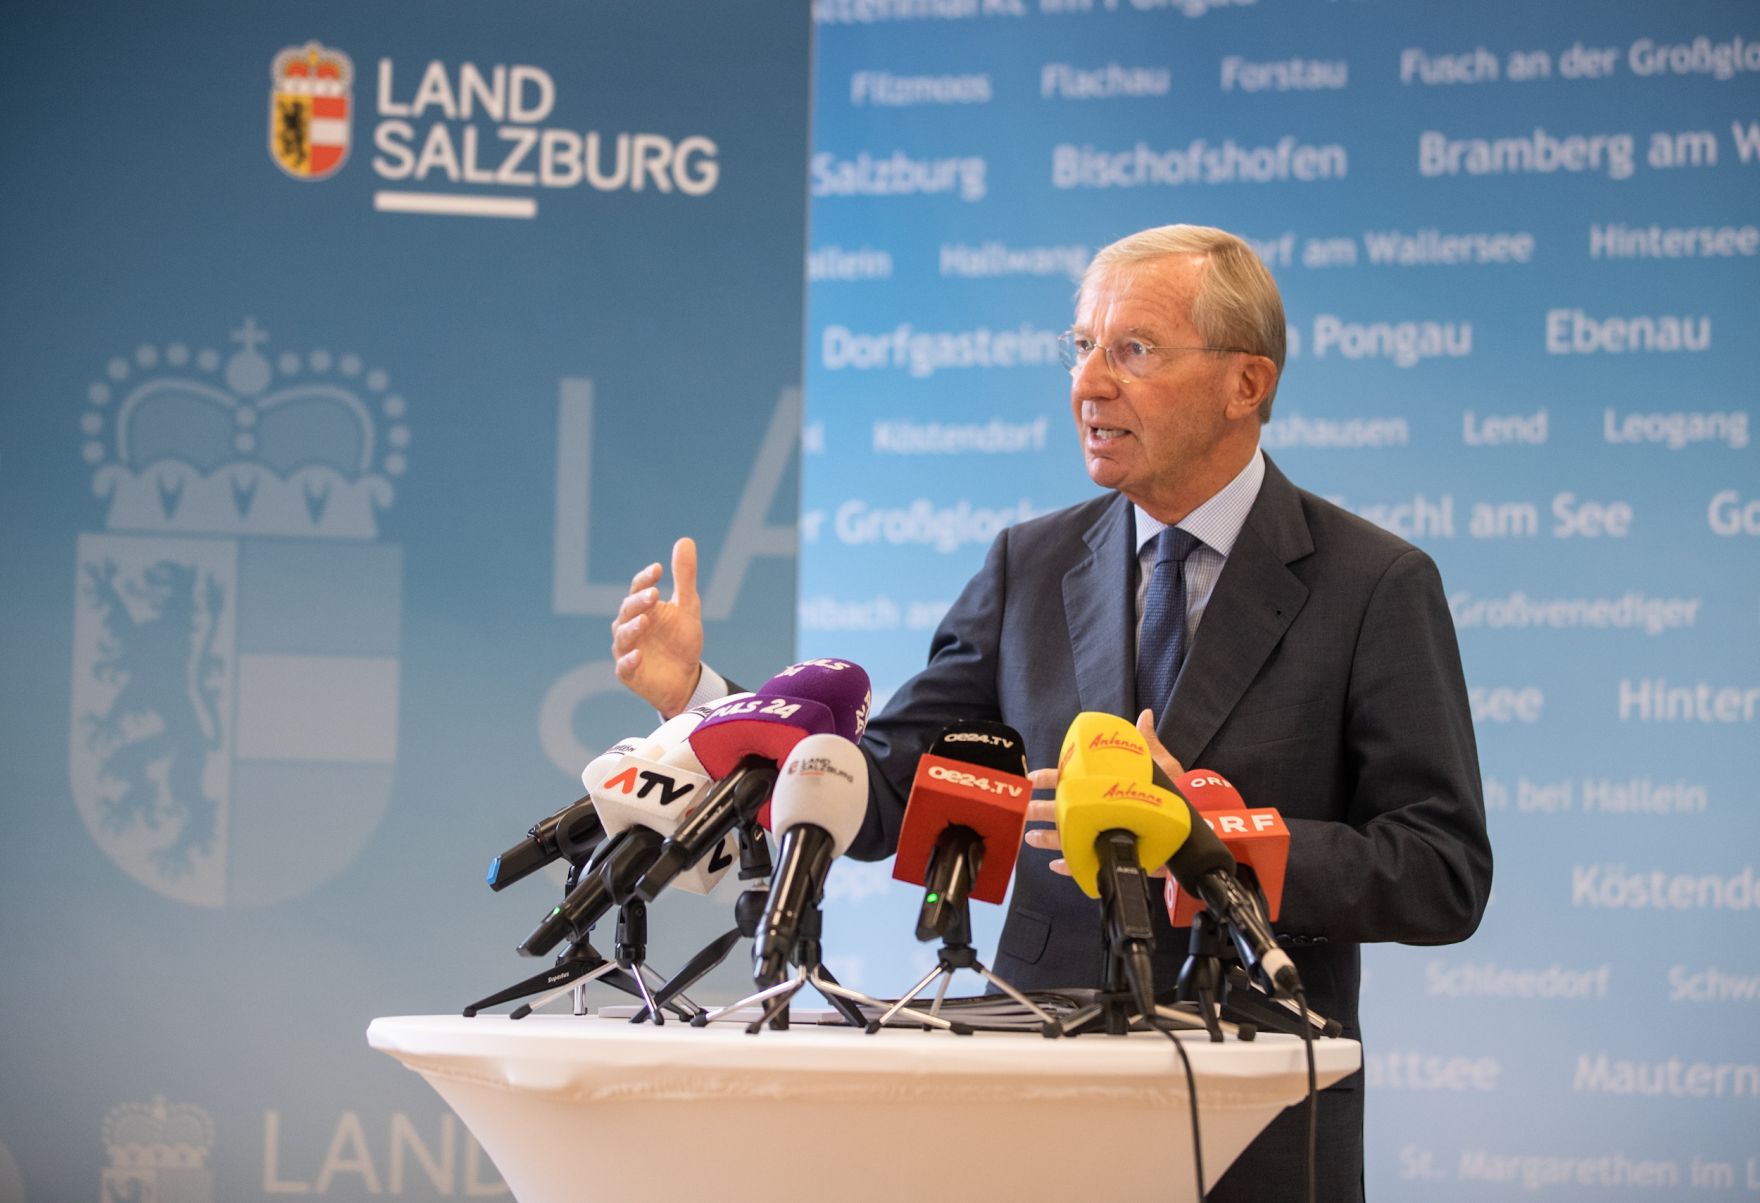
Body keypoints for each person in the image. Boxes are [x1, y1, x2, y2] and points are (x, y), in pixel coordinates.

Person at [610, 224, 1493, 1200]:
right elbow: (886, 791)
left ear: (1246, 383)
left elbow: (1439, 871)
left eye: (1134, 351)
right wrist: (709, 707)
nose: (1089, 383)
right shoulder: (1026, 567)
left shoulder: (1371, 585)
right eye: (1080, 347)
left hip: (1257, 1115)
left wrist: (1206, 844)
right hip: (1033, 1101)